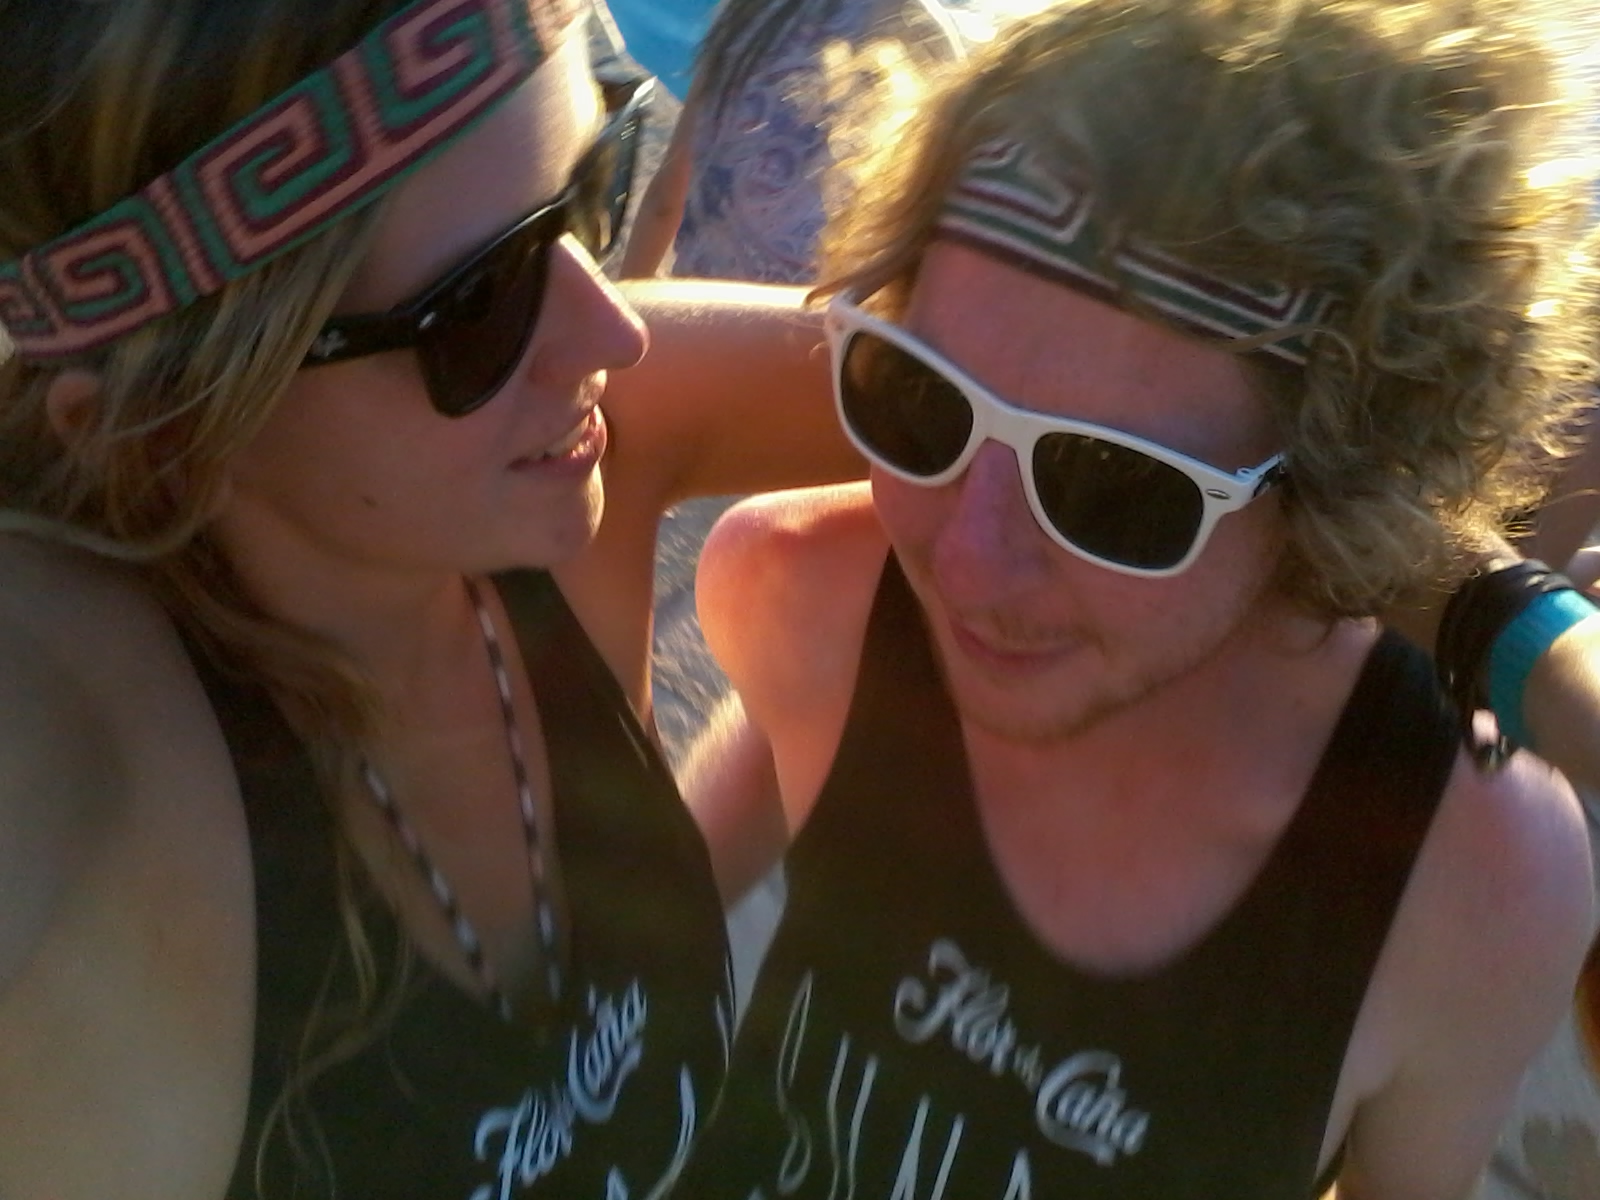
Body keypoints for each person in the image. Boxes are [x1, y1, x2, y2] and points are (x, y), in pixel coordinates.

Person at [676, 0, 1600, 1196]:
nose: (968, 563)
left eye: (1113, 488)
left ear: (1332, 492)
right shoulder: (817, 603)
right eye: (921, 397)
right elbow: (618, 962)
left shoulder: (1471, 879)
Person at [0, 1, 858, 1197]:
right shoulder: (99, 743)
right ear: (165, 425)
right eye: (478, 302)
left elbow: (1016, 398)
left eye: (593, 189)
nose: (612, 331)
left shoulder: (555, 461)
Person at [618, 0, 963, 283]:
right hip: (806, 324)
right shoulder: (922, 36)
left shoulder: (749, 14)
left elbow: (667, 194)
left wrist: (634, 294)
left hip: (700, 309)